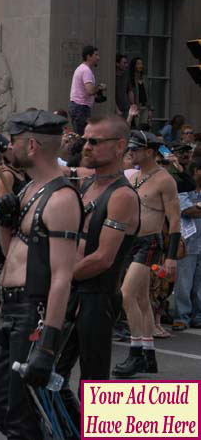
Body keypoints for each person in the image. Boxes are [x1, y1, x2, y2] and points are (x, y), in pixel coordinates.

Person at [0, 110, 82, 439]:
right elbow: (10, 252)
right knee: (3, 411)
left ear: (31, 145)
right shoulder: (29, 190)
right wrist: (4, 223)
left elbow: (61, 276)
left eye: (13, 142)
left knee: (22, 419)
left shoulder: (61, 199)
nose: (7, 148)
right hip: (9, 308)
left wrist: (47, 345)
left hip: (34, 312)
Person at [54, 115, 140, 425]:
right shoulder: (87, 182)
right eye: (85, 140)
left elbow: (103, 257)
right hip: (72, 293)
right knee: (49, 376)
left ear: (119, 146)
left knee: (93, 384)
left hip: (97, 297)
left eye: (94, 141)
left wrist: (60, 277)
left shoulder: (122, 196)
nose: (86, 146)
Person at [113, 130, 181, 377]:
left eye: (135, 149)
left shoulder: (164, 180)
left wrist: (171, 257)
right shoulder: (134, 177)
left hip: (150, 243)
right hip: (131, 242)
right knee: (140, 300)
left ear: (150, 152)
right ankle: (148, 356)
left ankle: (135, 354)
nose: (130, 153)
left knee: (127, 294)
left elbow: (175, 222)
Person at [173, 160, 201, 331]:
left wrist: (197, 207)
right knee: (183, 283)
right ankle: (182, 317)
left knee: (199, 285)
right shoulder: (184, 190)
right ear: (197, 171)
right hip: (187, 244)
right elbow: (187, 211)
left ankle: (198, 316)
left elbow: (195, 210)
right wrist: (196, 207)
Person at [69, 45, 105, 135]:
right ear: (89, 56)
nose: (98, 58)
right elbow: (90, 91)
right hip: (81, 108)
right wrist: (100, 87)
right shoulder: (86, 70)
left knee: (80, 136)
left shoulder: (82, 68)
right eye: (96, 55)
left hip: (78, 107)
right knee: (82, 137)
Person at [129, 57, 151, 129]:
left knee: (144, 127)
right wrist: (133, 105)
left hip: (145, 106)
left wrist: (150, 109)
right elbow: (130, 92)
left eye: (141, 64)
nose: (140, 66)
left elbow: (148, 93)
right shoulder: (131, 78)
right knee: (136, 126)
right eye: (138, 64)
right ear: (134, 66)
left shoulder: (145, 78)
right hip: (137, 106)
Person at [115, 54, 134, 119]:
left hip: (126, 108)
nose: (126, 65)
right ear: (117, 63)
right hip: (116, 109)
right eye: (124, 63)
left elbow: (130, 91)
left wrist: (132, 105)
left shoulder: (126, 76)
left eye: (127, 63)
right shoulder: (113, 77)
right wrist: (116, 109)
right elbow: (110, 95)